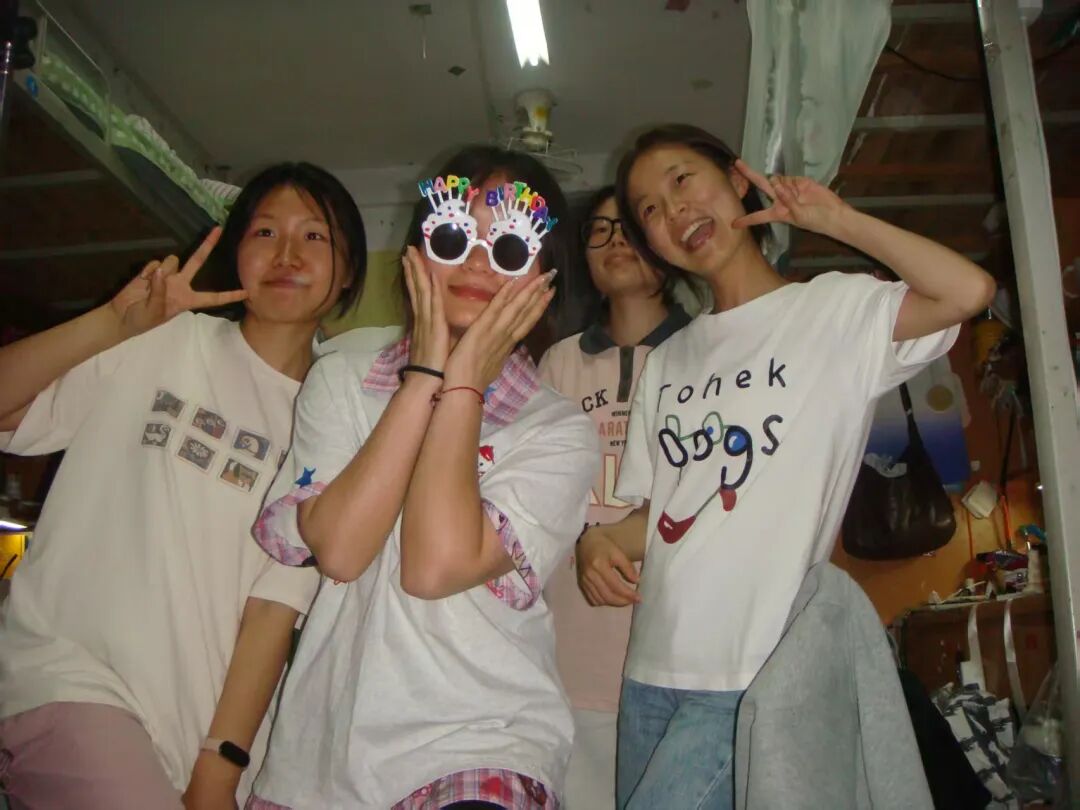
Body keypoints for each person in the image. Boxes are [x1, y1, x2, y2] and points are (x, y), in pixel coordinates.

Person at [575, 124, 996, 810]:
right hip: (650, 670)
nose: (673, 211)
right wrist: (597, 540)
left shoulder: (830, 310)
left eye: (682, 180)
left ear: (735, 179)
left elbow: (967, 290)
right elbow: (663, 514)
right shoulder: (667, 362)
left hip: (752, 668)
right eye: (650, 209)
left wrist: (840, 222)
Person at [0, 162, 367, 808]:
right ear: (235, 253)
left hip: (198, 730)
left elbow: (272, 610)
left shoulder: (336, 423)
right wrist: (112, 323)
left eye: (315, 237)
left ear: (347, 274)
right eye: (264, 232)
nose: (286, 254)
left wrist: (219, 766)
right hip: (66, 677)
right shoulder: (163, 338)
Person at [247, 146, 598, 810]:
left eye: (509, 249)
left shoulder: (557, 431)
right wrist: (424, 378)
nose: (477, 262)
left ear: (545, 280)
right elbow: (342, 551)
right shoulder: (342, 382)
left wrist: (462, 384)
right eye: (454, 236)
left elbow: (433, 568)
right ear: (417, 250)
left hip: (482, 744)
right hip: (320, 761)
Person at [538, 185, 690, 808]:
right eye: (599, 231)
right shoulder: (558, 362)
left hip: (683, 652)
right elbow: (536, 495)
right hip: (573, 654)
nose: (614, 241)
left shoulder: (710, 352)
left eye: (628, 224)